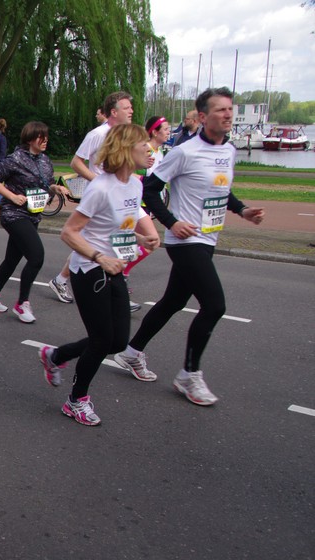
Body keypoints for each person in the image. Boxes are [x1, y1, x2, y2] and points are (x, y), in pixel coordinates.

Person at [114, 87, 265, 406]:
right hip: (185, 241)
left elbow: (221, 190)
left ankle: (130, 352)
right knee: (214, 305)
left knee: (172, 302)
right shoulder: (185, 152)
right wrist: (171, 223)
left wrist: (242, 210)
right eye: (220, 109)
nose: (228, 114)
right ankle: (189, 375)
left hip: (208, 238)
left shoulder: (229, 150)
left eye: (230, 108)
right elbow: (150, 189)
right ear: (203, 117)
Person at [38, 124, 160, 425]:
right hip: (89, 269)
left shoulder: (135, 185)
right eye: (143, 145)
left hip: (114, 266)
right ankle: (76, 400)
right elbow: (69, 232)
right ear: (125, 150)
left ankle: (56, 356)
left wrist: (140, 238)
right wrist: (99, 256)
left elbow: (117, 226)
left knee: (117, 342)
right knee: (101, 340)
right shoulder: (100, 188)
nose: (149, 150)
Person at [48, 92, 134, 305]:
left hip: (120, 193)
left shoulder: (125, 134)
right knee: (91, 239)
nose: (131, 111)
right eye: (126, 108)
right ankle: (66, 279)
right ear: (113, 112)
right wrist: (99, 181)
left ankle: (115, 282)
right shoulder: (97, 134)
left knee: (119, 236)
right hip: (100, 196)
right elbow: (76, 162)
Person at [0, 122, 70, 323]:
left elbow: (46, 184)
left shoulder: (45, 160)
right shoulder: (15, 159)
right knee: (36, 257)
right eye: (41, 137)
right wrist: (12, 196)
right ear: (30, 138)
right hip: (13, 214)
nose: (45, 140)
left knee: (12, 260)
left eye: (46, 136)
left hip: (33, 214)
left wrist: (55, 189)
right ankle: (22, 304)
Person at [121, 115, 172, 309]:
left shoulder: (160, 152)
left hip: (146, 202)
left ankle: (119, 275)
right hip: (138, 203)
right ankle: (119, 276)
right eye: (165, 129)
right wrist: (145, 182)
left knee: (143, 242)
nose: (168, 132)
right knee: (142, 241)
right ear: (155, 132)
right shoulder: (145, 149)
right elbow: (129, 170)